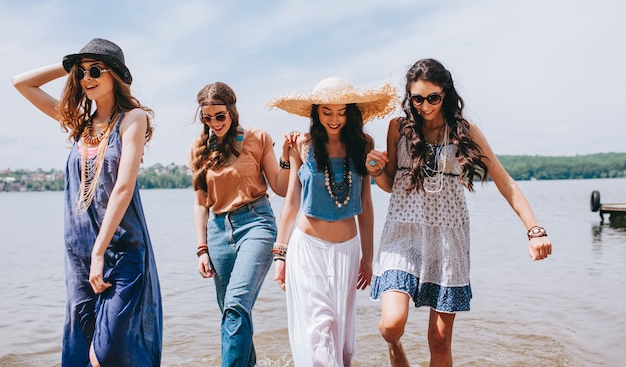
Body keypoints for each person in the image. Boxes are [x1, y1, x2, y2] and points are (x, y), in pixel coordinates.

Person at [366, 58, 553, 366]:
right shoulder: (398, 128)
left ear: (445, 94)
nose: (424, 106)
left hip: (447, 240)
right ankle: (395, 347)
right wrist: (374, 170)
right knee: (391, 325)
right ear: (409, 97)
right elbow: (391, 184)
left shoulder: (465, 132)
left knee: (439, 341)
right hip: (402, 235)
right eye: (417, 98)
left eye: (433, 98)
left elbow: (504, 181)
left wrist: (535, 230)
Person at [11, 38, 162, 366]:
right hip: (79, 252)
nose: (87, 78)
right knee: (82, 348)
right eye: (81, 72)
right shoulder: (79, 124)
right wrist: (69, 64)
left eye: (95, 70)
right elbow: (20, 83)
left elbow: (123, 187)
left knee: (107, 353)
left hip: (121, 249)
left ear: (115, 76)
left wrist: (100, 251)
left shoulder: (132, 119)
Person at [267, 77, 398, 366]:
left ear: (351, 113)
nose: (335, 119)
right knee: (320, 330)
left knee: (341, 339)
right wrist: (280, 254)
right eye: (327, 112)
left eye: (341, 112)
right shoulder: (302, 144)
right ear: (316, 113)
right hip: (308, 249)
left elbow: (365, 204)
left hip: (347, 252)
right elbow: (291, 201)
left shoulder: (364, 145)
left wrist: (368, 257)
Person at [188, 81, 291, 367]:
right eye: (207, 118)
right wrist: (202, 248)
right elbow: (200, 203)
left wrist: (285, 157)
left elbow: (281, 188)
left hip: (256, 223)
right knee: (233, 313)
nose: (214, 123)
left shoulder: (257, 138)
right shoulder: (199, 148)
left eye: (220, 116)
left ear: (232, 111)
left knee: (235, 306)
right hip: (219, 233)